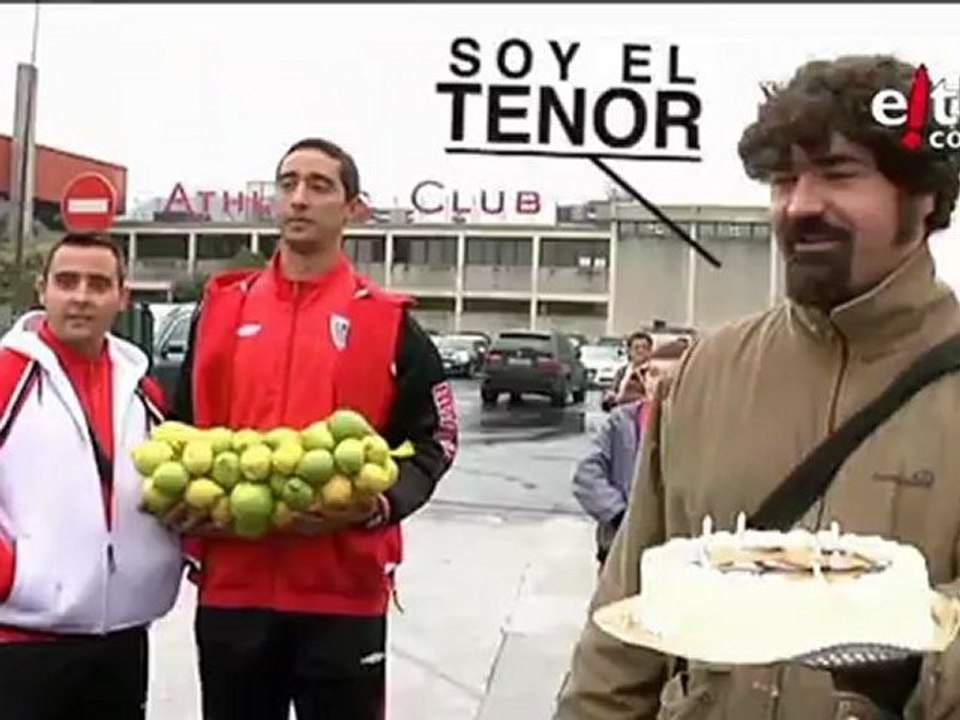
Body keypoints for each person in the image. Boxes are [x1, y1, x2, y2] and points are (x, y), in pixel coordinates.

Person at [555, 55, 960, 720]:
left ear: (924, 198)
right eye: (783, 180)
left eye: (838, 175)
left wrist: (905, 662)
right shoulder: (707, 373)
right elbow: (624, 626)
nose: (800, 205)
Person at [170, 137, 459, 720]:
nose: (299, 198)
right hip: (233, 588)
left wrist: (380, 503)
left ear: (353, 207)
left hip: (342, 594)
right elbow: (178, 429)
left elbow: (438, 439)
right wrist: (177, 508)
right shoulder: (222, 308)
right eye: (288, 183)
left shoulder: (387, 320)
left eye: (320, 185)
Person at [0, 233, 183, 720]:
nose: (81, 295)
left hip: (121, 640)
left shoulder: (144, 390)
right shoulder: (5, 378)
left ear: (122, 297)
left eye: (98, 284)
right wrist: (12, 578)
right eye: (66, 281)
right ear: (42, 290)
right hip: (21, 641)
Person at [573, 341, 688, 568]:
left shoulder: (697, 427)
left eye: (670, 376)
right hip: (619, 548)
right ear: (643, 378)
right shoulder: (621, 422)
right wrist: (619, 514)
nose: (659, 382)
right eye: (654, 374)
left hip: (675, 552)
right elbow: (587, 474)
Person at [602, 331, 653, 412]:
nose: (640, 351)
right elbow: (613, 391)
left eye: (644, 347)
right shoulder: (622, 372)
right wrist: (609, 397)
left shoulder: (654, 371)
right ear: (629, 351)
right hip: (622, 412)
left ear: (650, 351)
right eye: (636, 348)